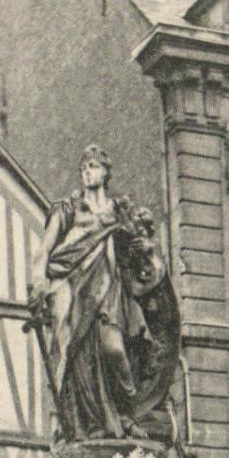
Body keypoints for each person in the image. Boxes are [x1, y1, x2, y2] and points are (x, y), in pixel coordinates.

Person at [28, 144, 176, 442]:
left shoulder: (118, 212)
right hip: (76, 298)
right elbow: (44, 249)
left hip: (111, 294)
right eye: (84, 166)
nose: (87, 171)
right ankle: (90, 424)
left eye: (93, 166)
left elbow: (143, 252)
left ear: (106, 172)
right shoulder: (67, 210)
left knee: (116, 351)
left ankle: (129, 413)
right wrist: (38, 281)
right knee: (80, 362)